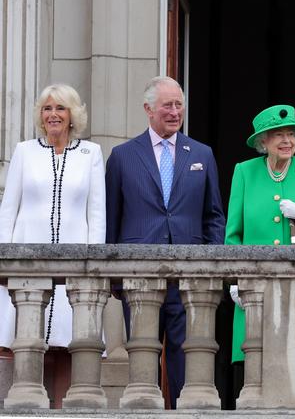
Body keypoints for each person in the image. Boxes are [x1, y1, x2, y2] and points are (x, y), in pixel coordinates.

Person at [105, 76, 225, 409]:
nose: (175, 112)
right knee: (143, 361)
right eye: (167, 106)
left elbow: (214, 215)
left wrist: (211, 266)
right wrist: (114, 276)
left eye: (179, 105)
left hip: (189, 279)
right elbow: (111, 221)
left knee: (185, 362)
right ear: (148, 109)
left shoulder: (202, 154)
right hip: (139, 276)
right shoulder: (122, 156)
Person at [226, 104, 295, 396]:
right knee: (252, 367)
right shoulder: (244, 172)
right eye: (279, 135)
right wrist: (235, 279)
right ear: (264, 142)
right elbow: (233, 234)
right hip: (255, 286)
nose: (287, 141)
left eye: (291, 134)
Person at [0, 84, 105, 353]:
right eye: (47, 108)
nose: (53, 114)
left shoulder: (90, 153)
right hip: (25, 257)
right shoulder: (24, 151)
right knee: (21, 340)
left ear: (72, 115)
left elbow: (96, 213)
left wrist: (94, 263)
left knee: (68, 340)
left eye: (60, 108)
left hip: (74, 259)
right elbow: (8, 209)